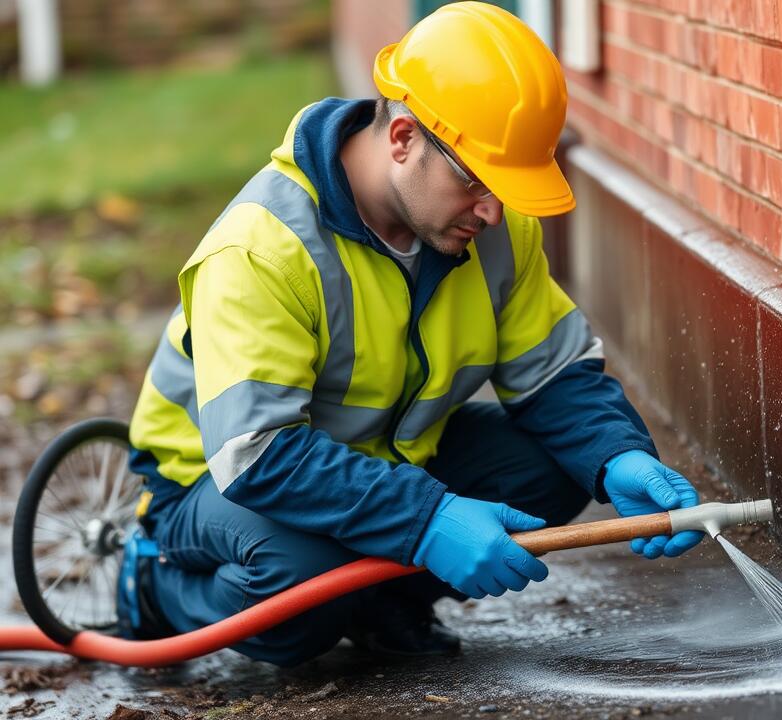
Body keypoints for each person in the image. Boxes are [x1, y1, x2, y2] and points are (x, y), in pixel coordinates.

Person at [120, 2, 702, 666]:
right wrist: (427, 522)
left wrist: (616, 456)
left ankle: (381, 604)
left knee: (553, 468)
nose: (492, 210)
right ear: (403, 139)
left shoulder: (491, 231)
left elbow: (554, 374)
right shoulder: (262, 250)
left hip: (378, 456)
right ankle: (155, 584)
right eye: (478, 180)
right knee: (301, 582)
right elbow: (259, 454)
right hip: (215, 480)